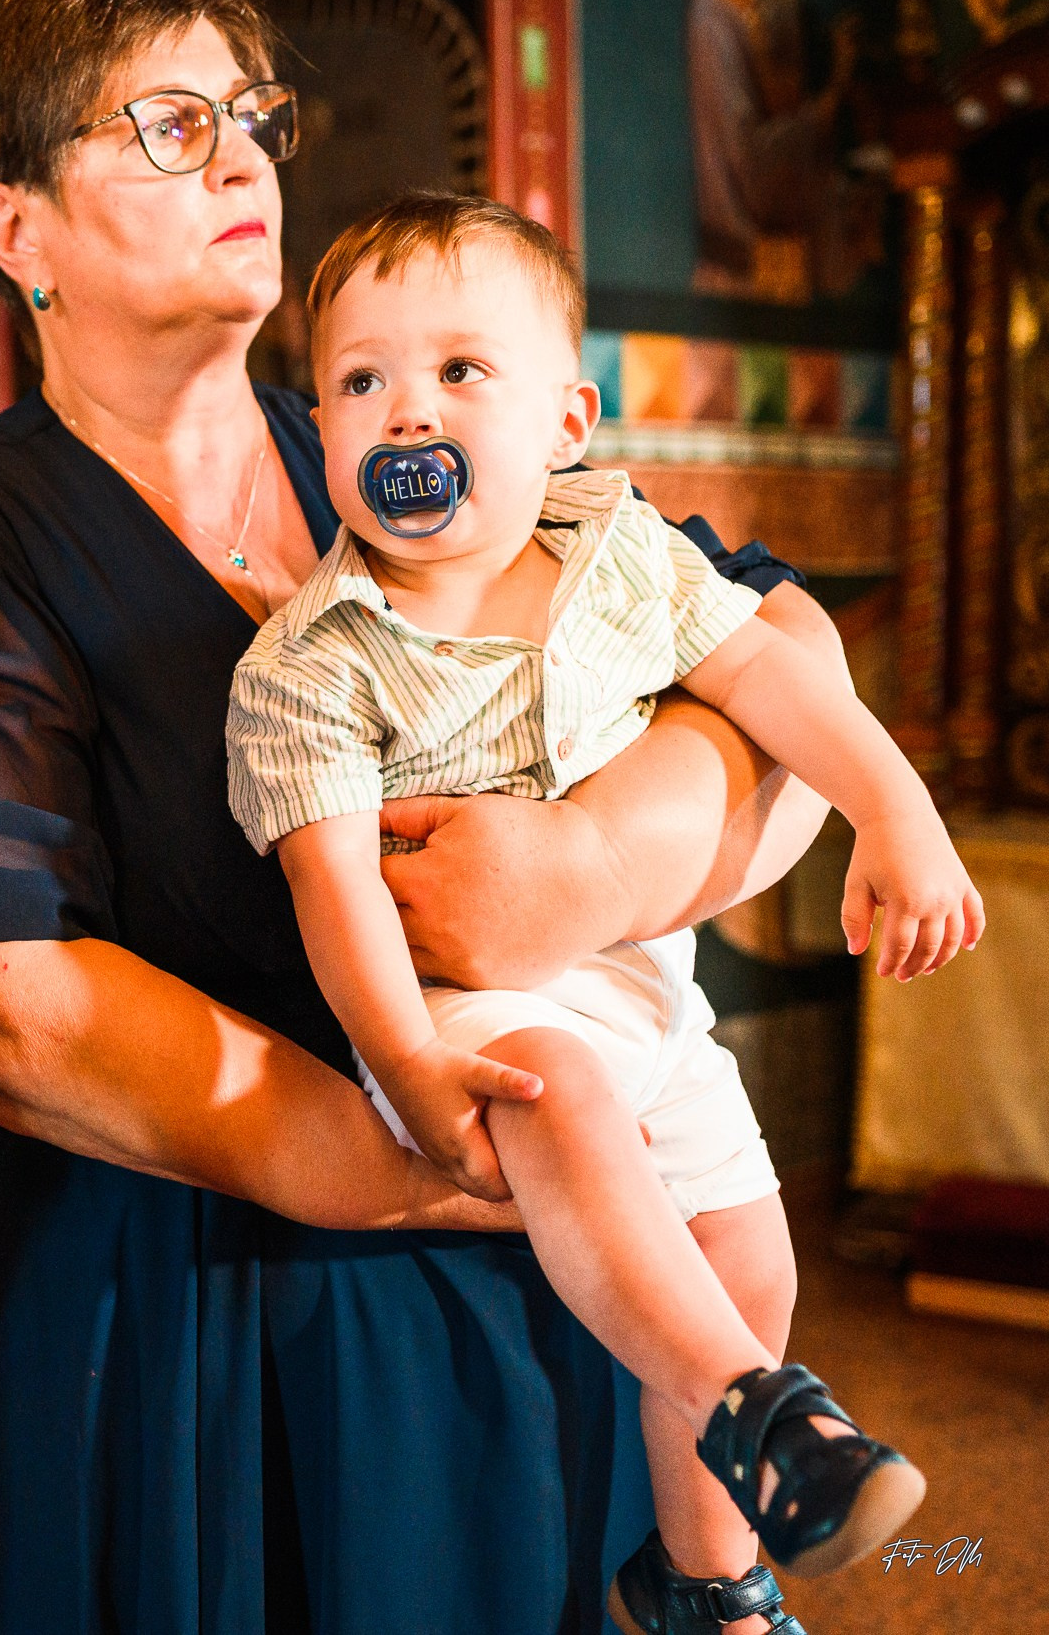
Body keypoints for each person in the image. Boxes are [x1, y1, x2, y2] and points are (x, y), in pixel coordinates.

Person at [0, 0, 854, 1629]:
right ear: (16, 229)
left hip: (564, 1265)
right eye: (169, 125)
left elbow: (784, 657)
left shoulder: (406, 436)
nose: (242, 160)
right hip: (186, 1312)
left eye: (250, 116)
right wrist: (412, 1149)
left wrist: (592, 868)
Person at [228, 193, 975, 1634]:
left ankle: (705, 1577)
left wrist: (897, 812)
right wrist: (410, 1060)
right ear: (321, 433)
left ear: (566, 420)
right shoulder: (312, 662)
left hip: (640, 981)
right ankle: (766, 1418)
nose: (409, 409)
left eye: (461, 369)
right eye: (363, 380)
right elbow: (333, 889)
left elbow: (772, 677)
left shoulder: (617, 548)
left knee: (752, 1254)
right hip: (461, 1006)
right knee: (560, 1091)